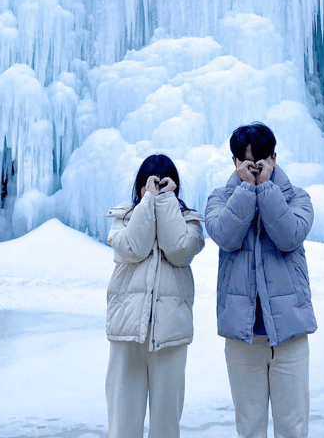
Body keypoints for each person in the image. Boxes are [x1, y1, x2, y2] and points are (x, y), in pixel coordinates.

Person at [204, 122, 316, 438]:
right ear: (234, 162)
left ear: (274, 159)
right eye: (246, 161)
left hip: (289, 335)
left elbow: (288, 236)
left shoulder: (298, 199)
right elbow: (225, 235)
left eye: (261, 160)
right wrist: (245, 192)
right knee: (250, 428)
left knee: (293, 428)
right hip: (243, 338)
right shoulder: (219, 199)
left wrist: (266, 189)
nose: (254, 168)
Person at [105, 154, 205, 438]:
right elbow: (133, 247)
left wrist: (164, 202)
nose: (156, 187)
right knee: (123, 423)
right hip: (127, 331)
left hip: (170, 334)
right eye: (150, 183)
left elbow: (179, 249)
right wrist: (148, 203)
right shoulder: (122, 218)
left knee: (166, 425)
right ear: (140, 185)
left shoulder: (190, 222)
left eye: (163, 184)